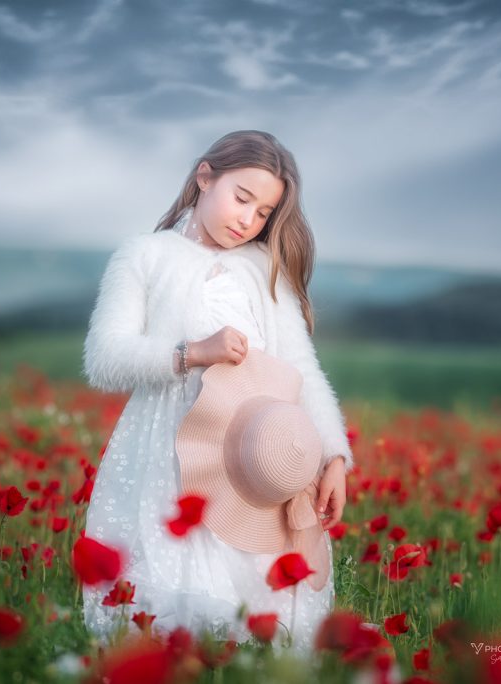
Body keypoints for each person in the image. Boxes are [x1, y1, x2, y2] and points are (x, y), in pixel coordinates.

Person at [80, 130, 355, 659]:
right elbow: (104, 358)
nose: (247, 221)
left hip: (251, 455)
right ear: (205, 177)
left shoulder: (261, 270)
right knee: (170, 596)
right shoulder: (146, 255)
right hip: (166, 453)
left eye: (263, 213)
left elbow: (301, 369)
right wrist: (192, 353)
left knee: (246, 601)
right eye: (241, 198)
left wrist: (334, 455)